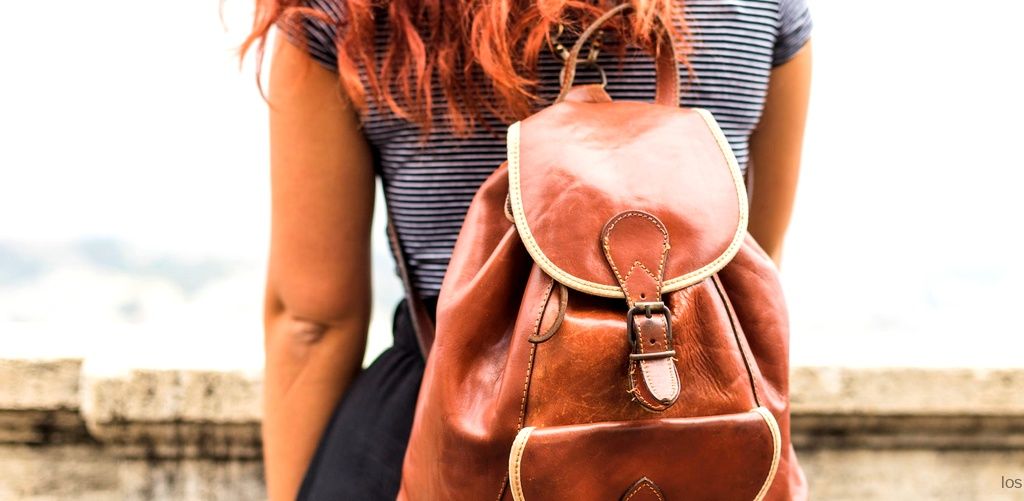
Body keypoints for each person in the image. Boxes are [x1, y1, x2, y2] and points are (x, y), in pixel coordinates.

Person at [243, 0, 812, 498]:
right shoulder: (760, 8)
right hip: (700, 425)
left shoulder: (346, 14)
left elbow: (310, 321)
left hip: (436, 419)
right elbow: (752, 270)